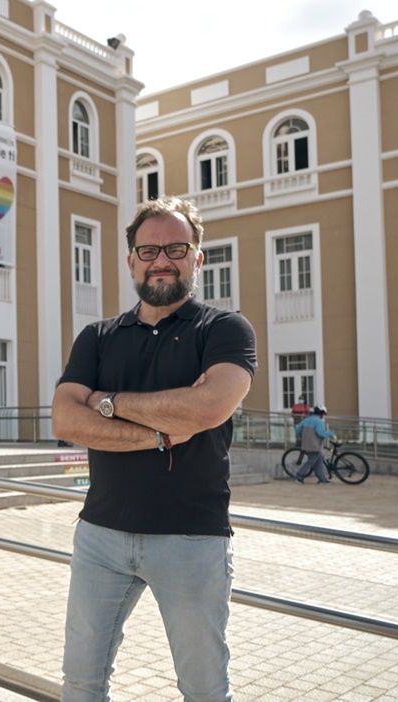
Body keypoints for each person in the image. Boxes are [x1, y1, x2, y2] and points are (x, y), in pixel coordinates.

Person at [52, 196, 257, 702]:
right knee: (81, 682)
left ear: (197, 258)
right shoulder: (97, 337)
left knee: (204, 689)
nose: (161, 260)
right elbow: (64, 418)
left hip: (190, 538)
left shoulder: (225, 330)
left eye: (176, 248)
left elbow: (208, 409)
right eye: (148, 250)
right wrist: (160, 431)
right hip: (100, 535)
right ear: (130, 260)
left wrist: (104, 402)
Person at [294, 405, 335, 484]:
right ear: (321, 413)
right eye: (323, 414)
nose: (323, 416)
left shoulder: (306, 419)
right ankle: (299, 477)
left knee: (318, 461)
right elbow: (321, 433)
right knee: (310, 462)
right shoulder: (318, 421)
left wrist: (303, 435)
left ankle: (322, 479)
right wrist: (331, 434)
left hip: (306, 445)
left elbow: (298, 429)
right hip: (314, 445)